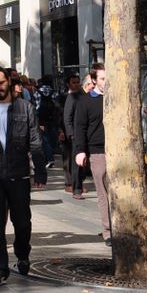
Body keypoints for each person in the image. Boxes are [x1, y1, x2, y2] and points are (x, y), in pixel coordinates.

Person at [0, 65, 46, 287]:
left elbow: (35, 141)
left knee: (22, 223)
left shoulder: (25, 108)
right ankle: (0, 268)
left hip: (18, 174)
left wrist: (40, 170)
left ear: (9, 82)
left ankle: (22, 255)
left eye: (1, 83)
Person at [74, 63, 111, 246]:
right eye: (103, 78)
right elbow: (79, 127)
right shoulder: (85, 101)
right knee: (103, 192)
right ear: (94, 80)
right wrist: (80, 150)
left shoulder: (116, 98)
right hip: (98, 152)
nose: (106, 81)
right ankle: (108, 231)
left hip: (118, 151)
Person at [60, 73, 89, 198]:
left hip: (85, 134)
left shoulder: (85, 96)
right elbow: (65, 117)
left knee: (83, 162)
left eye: (78, 82)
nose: (76, 84)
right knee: (72, 160)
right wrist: (67, 132)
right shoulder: (68, 97)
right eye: (74, 82)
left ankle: (78, 183)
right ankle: (73, 185)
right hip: (72, 134)